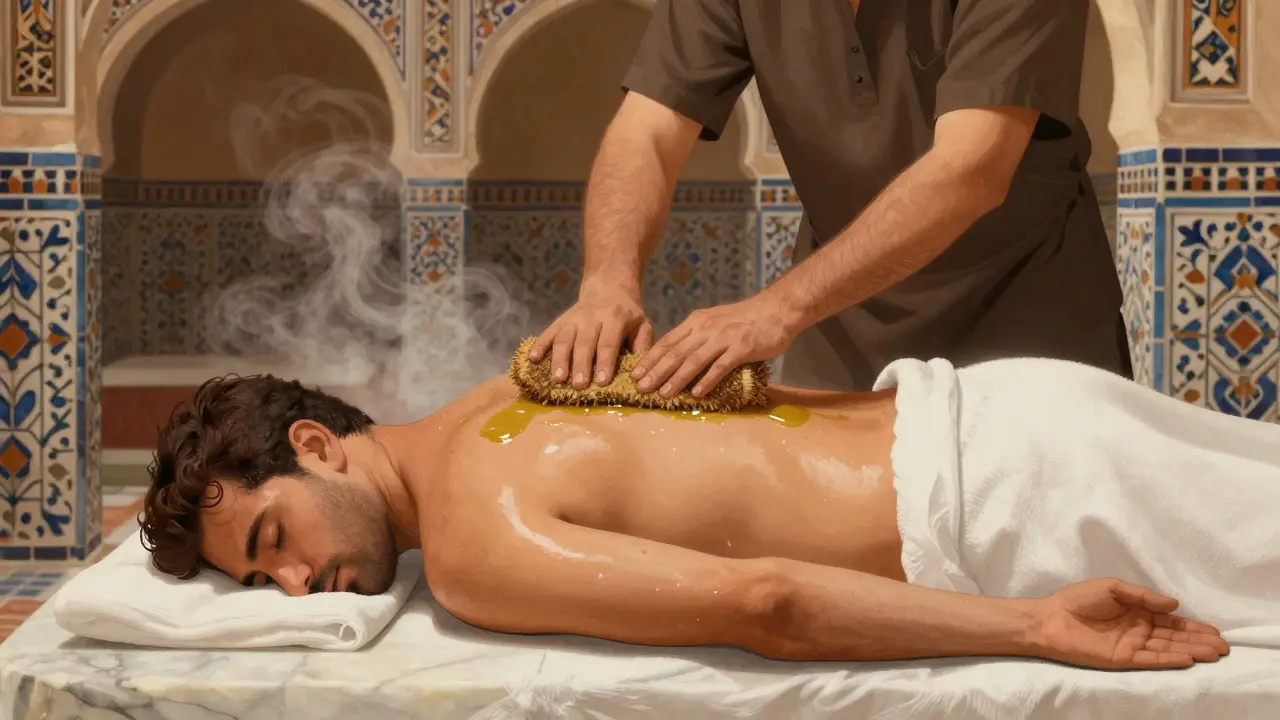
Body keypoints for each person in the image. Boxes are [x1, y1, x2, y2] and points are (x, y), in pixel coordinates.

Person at [141, 356, 1280, 671]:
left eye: (274, 540)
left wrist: (1034, 626)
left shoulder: (475, 546)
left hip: (1004, 505)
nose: (295, 585)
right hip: (1015, 404)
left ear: (314, 445)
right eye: (260, 582)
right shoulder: (510, 383)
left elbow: (764, 603)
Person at [527, 0, 1130, 396]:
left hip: (1027, 337)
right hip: (843, 337)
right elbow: (648, 132)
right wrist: (607, 281)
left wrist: (777, 310)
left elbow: (971, 169)